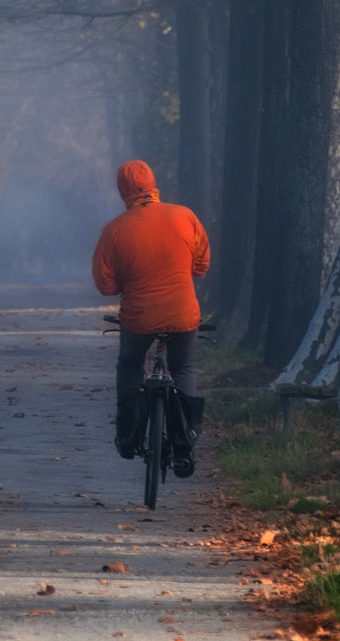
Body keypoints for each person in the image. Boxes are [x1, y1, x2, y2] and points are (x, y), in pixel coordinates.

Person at [91, 159, 210, 458]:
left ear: (122, 190)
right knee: (182, 367)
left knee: (130, 364)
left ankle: (129, 435)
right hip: (183, 313)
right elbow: (202, 264)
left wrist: (127, 282)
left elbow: (105, 285)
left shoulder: (114, 230)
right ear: (154, 183)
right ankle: (185, 438)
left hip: (139, 317)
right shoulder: (186, 216)